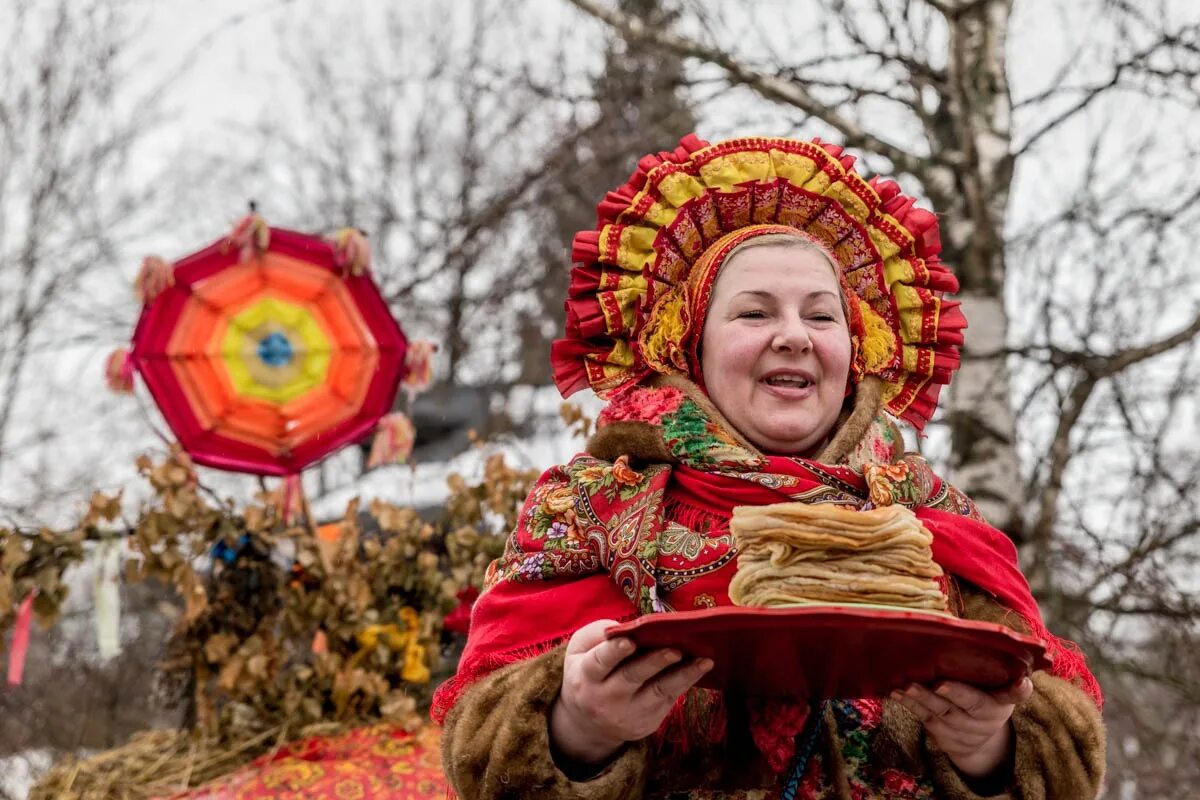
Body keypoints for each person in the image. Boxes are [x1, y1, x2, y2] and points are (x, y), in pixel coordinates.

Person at [433, 135, 1106, 799]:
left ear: (854, 351)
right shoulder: (595, 508)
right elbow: (480, 754)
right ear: (691, 348)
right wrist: (578, 728)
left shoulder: (934, 519)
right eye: (754, 312)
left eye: (822, 315)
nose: (794, 335)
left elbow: (1066, 762)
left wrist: (988, 749)